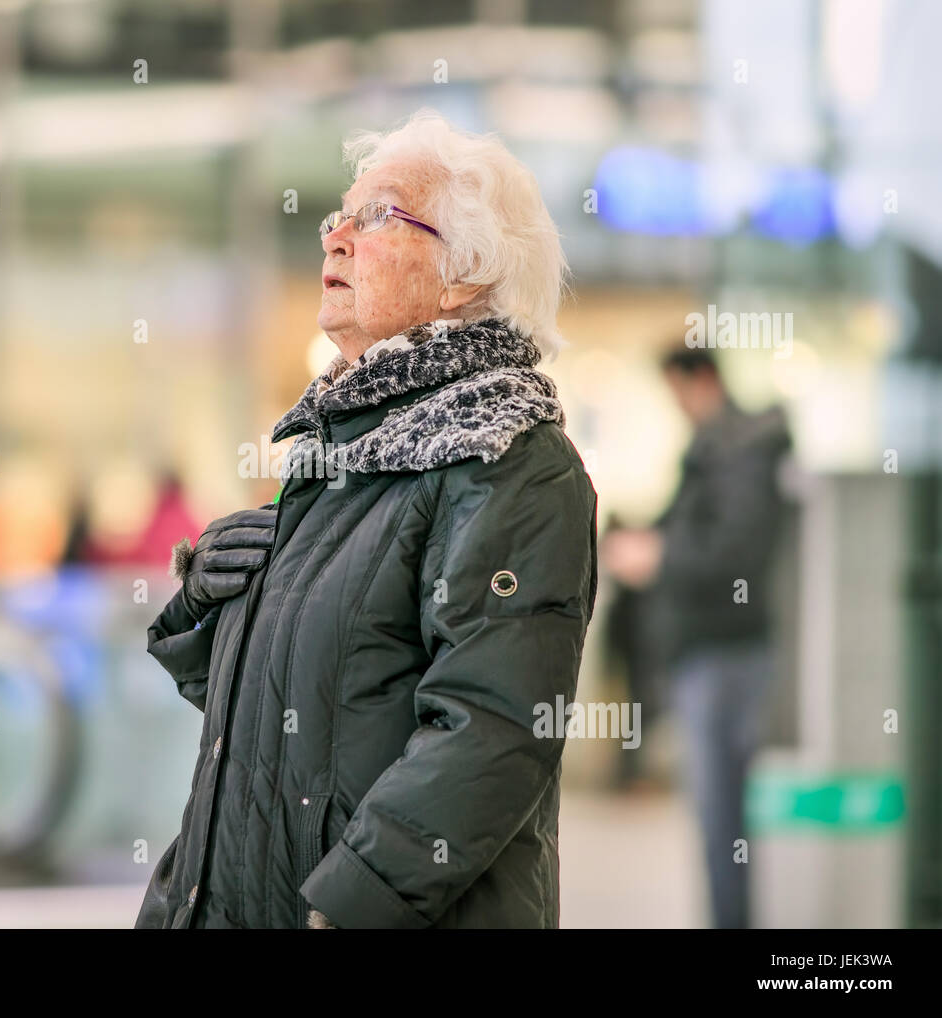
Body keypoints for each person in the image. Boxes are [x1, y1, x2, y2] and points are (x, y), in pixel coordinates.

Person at [135, 109, 598, 929]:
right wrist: (202, 608)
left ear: (465, 272)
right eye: (336, 217)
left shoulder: (508, 461)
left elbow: (491, 732)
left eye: (377, 215)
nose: (336, 239)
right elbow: (307, 709)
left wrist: (346, 908)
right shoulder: (340, 446)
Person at [603, 345, 792, 928]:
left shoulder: (742, 448)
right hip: (705, 651)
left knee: (721, 816)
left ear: (700, 379)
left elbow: (736, 552)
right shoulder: (718, 448)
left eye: (677, 392)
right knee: (716, 817)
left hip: (724, 653)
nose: (676, 406)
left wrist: (658, 555)